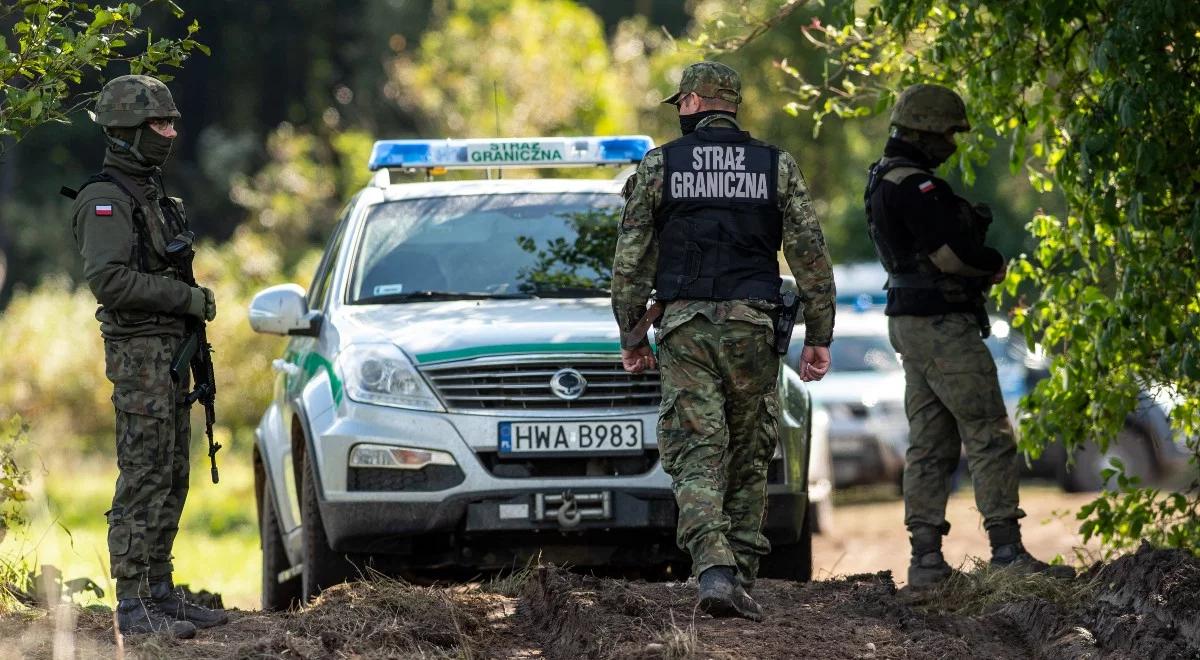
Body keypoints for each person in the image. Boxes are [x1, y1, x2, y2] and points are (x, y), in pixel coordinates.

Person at [612, 61, 836, 620]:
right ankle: (739, 572)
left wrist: (632, 331)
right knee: (749, 452)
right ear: (731, 105)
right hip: (752, 331)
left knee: (695, 454)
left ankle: (715, 572)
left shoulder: (660, 165)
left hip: (686, 331)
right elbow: (810, 255)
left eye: (680, 103)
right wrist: (820, 334)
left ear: (691, 102)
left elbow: (630, 260)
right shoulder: (775, 165)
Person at [863, 83, 1075, 587]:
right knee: (989, 432)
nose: (953, 143)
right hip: (941, 325)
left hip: (911, 324)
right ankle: (1006, 552)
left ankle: (927, 562)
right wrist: (993, 265)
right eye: (949, 133)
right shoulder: (915, 186)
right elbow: (951, 257)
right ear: (926, 130)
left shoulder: (883, 178)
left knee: (931, 442)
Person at [69, 75, 229, 637]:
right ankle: (135, 607)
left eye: (170, 121)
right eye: (159, 124)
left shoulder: (153, 194)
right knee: (142, 474)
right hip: (138, 357)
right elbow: (109, 280)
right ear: (127, 132)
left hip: (169, 355)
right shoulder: (105, 200)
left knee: (172, 473)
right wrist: (187, 298)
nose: (171, 132)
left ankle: (159, 591)